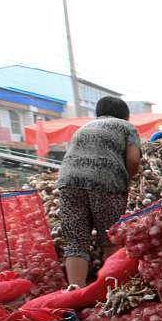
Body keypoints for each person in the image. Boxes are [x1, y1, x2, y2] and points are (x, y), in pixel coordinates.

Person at [56, 96, 141, 287]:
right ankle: (113, 289)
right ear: (125, 115)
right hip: (106, 181)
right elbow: (134, 160)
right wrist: (128, 180)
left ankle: (75, 291)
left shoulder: (83, 128)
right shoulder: (126, 127)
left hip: (68, 182)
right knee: (110, 238)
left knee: (76, 241)